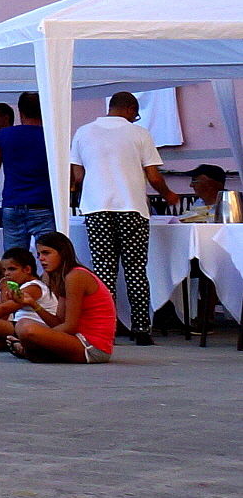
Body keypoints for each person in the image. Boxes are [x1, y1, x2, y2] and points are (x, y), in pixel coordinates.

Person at [70, 92, 179, 345]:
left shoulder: (83, 132)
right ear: (130, 108)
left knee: (104, 272)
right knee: (136, 270)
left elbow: (77, 177)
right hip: (132, 209)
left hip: (96, 209)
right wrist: (168, 194)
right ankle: (141, 329)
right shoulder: (139, 134)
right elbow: (153, 176)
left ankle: (106, 328)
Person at [9, 231, 118, 363]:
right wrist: (33, 304)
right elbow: (59, 322)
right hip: (76, 339)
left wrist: (42, 336)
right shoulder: (63, 277)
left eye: (46, 253)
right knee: (22, 324)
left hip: (91, 346)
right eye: (39, 254)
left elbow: (70, 327)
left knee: (29, 330)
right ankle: (35, 352)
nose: (41, 258)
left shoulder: (76, 276)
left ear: (62, 253)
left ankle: (32, 351)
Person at [0, 94, 54, 253]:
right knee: (50, 256)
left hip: (12, 203)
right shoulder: (51, 136)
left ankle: (14, 279)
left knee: (14, 259)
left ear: (20, 112)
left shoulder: (3, 136)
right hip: (42, 203)